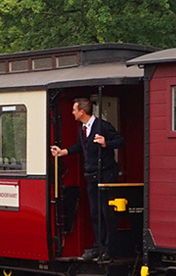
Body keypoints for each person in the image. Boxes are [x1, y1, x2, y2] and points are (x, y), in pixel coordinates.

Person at [49, 99, 124, 260]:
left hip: (106, 174)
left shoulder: (102, 126)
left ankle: (109, 248)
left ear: (82, 111)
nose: (72, 113)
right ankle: (98, 247)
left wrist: (106, 143)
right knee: (95, 213)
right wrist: (64, 152)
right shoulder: (82, 129)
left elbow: (120, 141)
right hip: (92, 175)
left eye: (74, 110)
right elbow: (80, 146)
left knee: (106, 212)